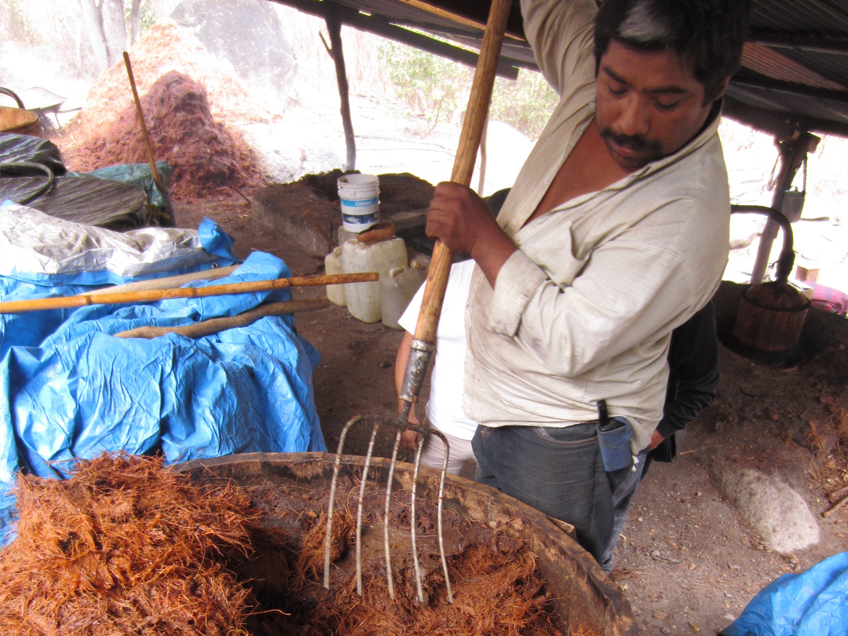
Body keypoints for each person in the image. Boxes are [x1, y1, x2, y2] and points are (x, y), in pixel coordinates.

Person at [422, 0, 749, 571]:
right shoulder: (588, 82)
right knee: (495, 565)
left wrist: (482, 236)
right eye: (615, 87)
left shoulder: (684, 219)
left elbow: (570, 339)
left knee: (545, 583)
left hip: (564, 440)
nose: (630, 121)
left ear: (716, 88)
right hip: (500, 402)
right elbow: (553, 11)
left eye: (666, 101)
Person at [395, 259, 477, 476]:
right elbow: (410, 348)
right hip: (443, 426)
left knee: (504, 497)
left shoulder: (540, 282)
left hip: (508, 434)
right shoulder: (448, 278)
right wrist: (407, 414)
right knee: (426, 493)